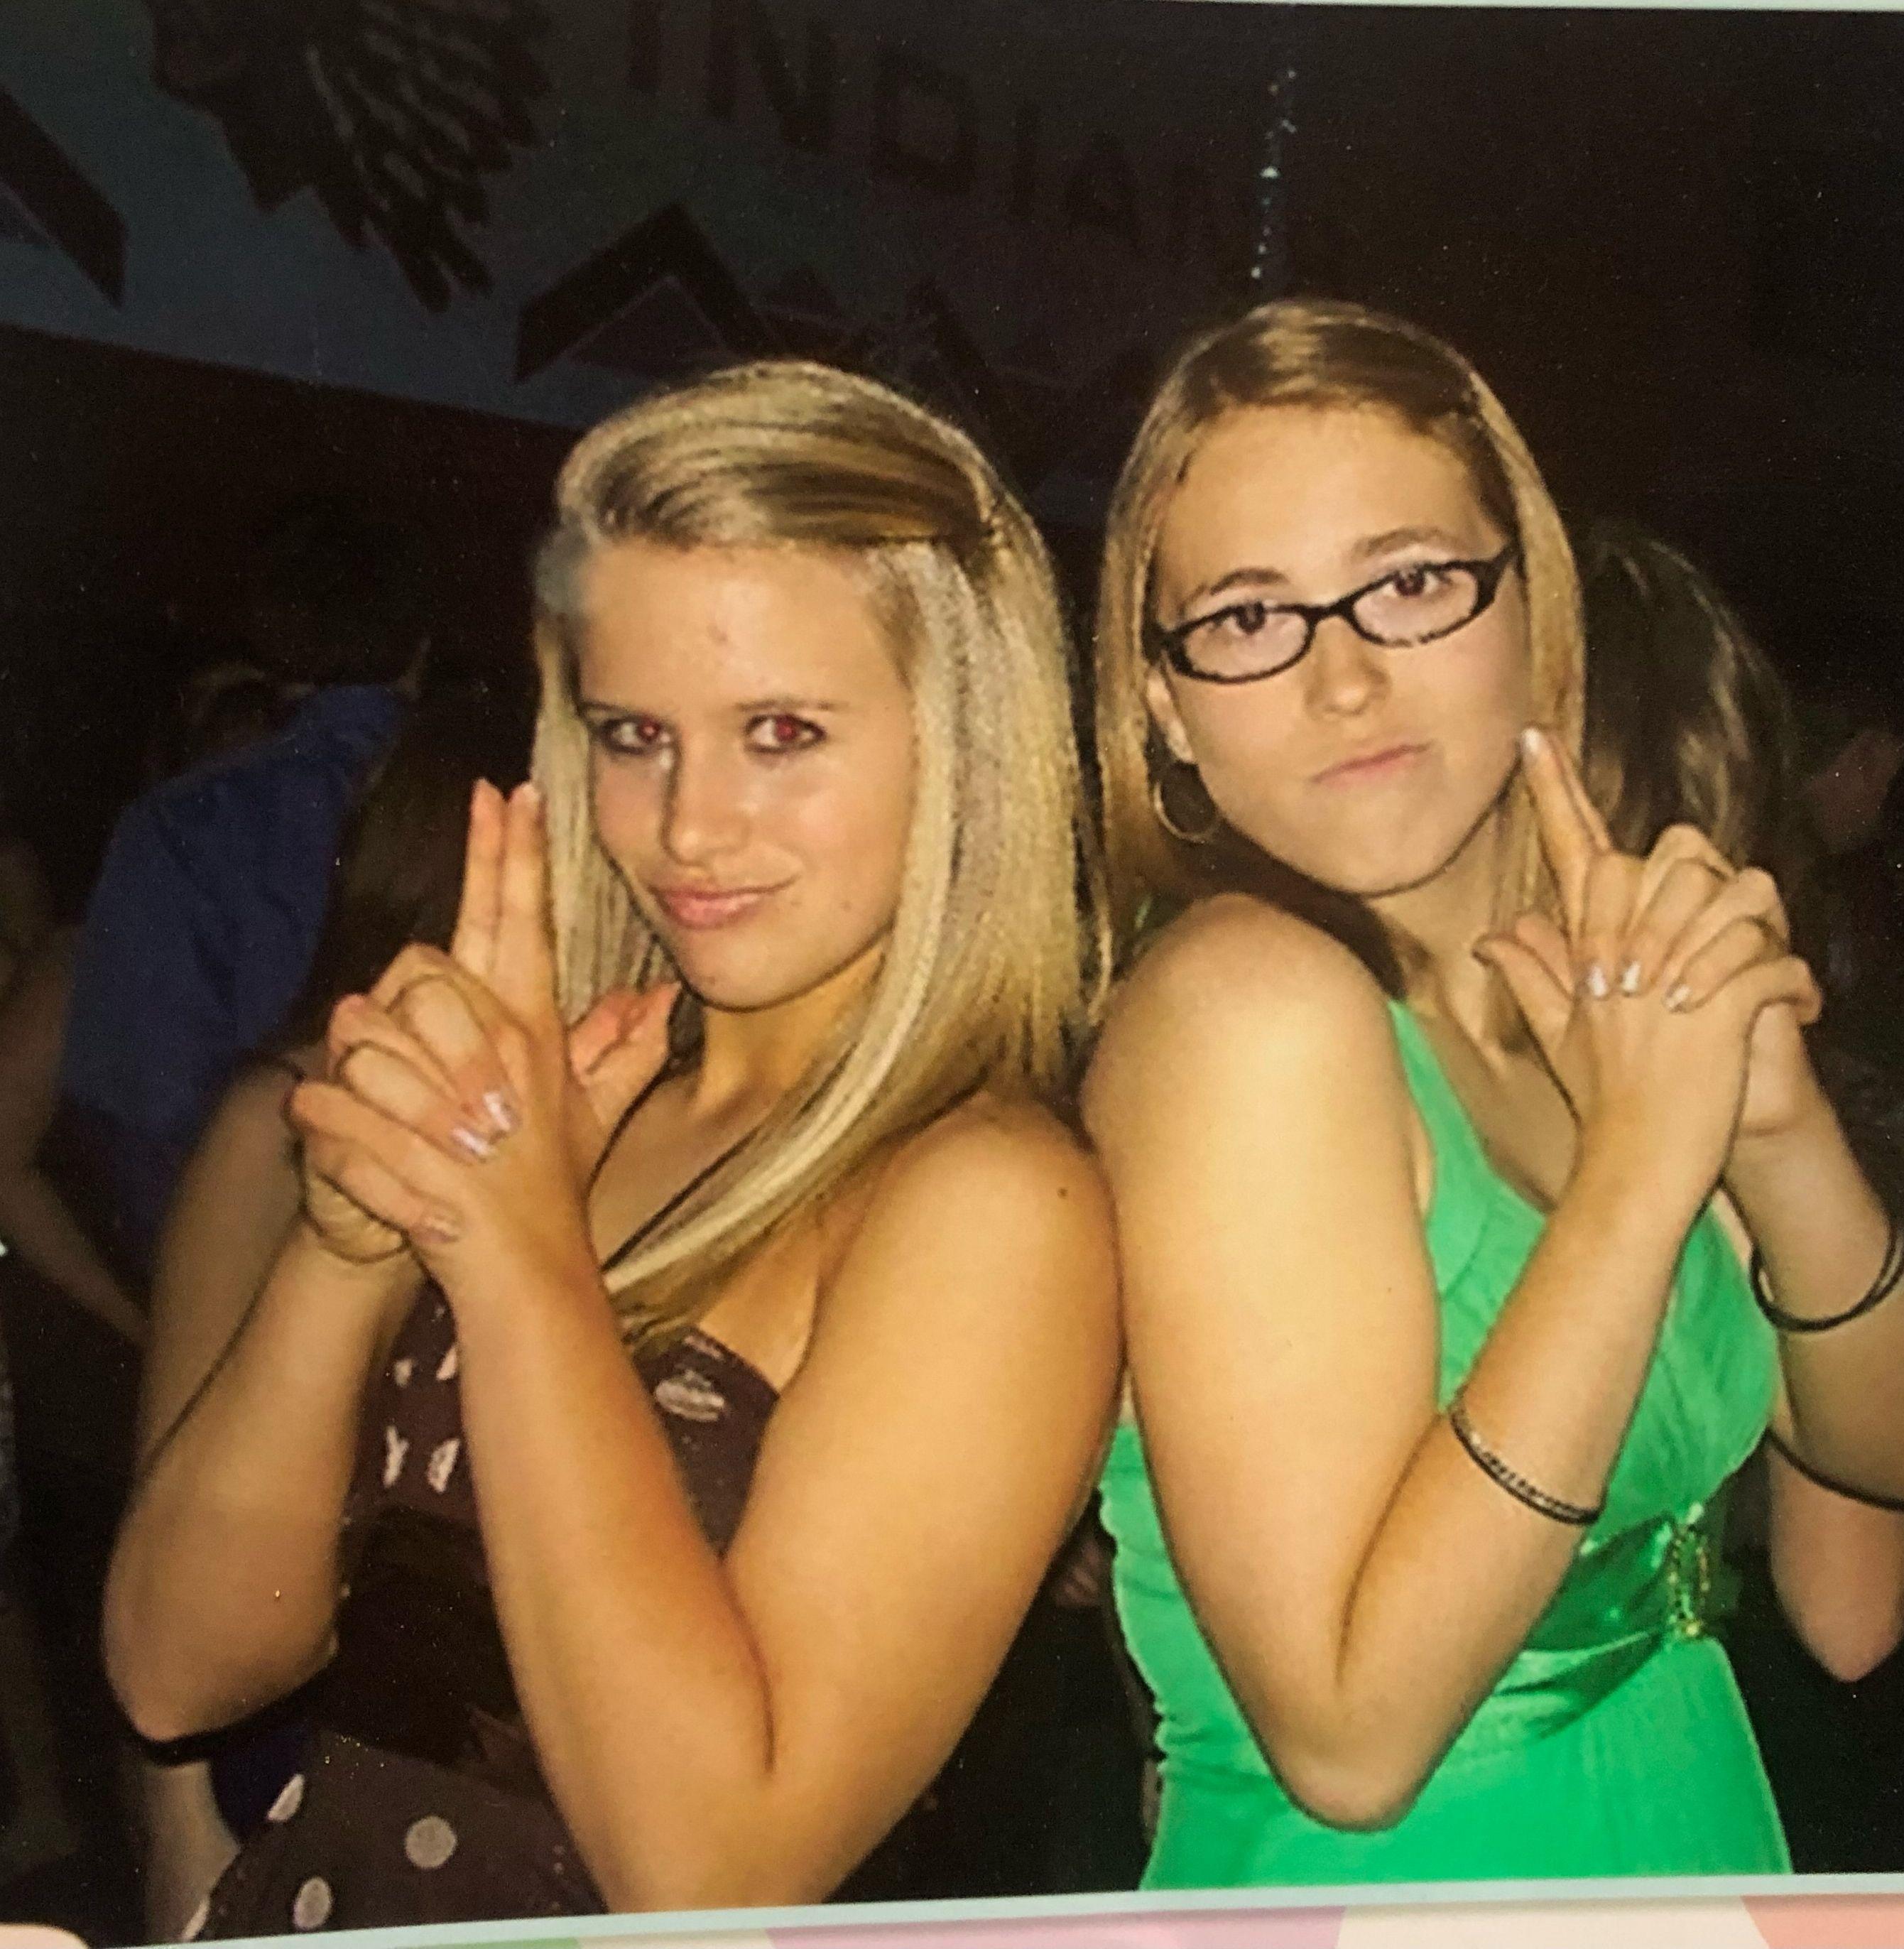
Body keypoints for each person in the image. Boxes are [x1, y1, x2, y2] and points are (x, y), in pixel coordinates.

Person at [104, 360, 1120, 1931]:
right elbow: (177, 1669)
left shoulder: (988, 1197)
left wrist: (516, 1258)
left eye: (781, 730)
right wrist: (353, 1242)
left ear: (964, 745)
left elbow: (716, 1864)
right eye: (633, 733)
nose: (687, 824)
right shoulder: (584, 1088)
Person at [1084, 297, 1904, 1886]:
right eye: (1249, 616)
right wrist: (1638, 1174)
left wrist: (1773, 1123)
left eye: (1410, 582)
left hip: (1682, 1827)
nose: (1344, 678)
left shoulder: (1579, 986)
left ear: (1534, 612)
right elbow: (1351, 1738)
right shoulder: (1246, 1011)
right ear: (1167, 708)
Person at [131, 683, 532, 1940]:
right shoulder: (281, 1117)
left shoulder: (559, 1116)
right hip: (280, 1733)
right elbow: (171, 1495)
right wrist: (180, 1850)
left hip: (455, 1765)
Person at [55, 504, 419, 1286]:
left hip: (235, 1259)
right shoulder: (485, 803)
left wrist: (196, 1288)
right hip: (421, 1261)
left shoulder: (180, 822)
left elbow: (134, 1113)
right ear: (419, 646)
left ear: (269, 633)